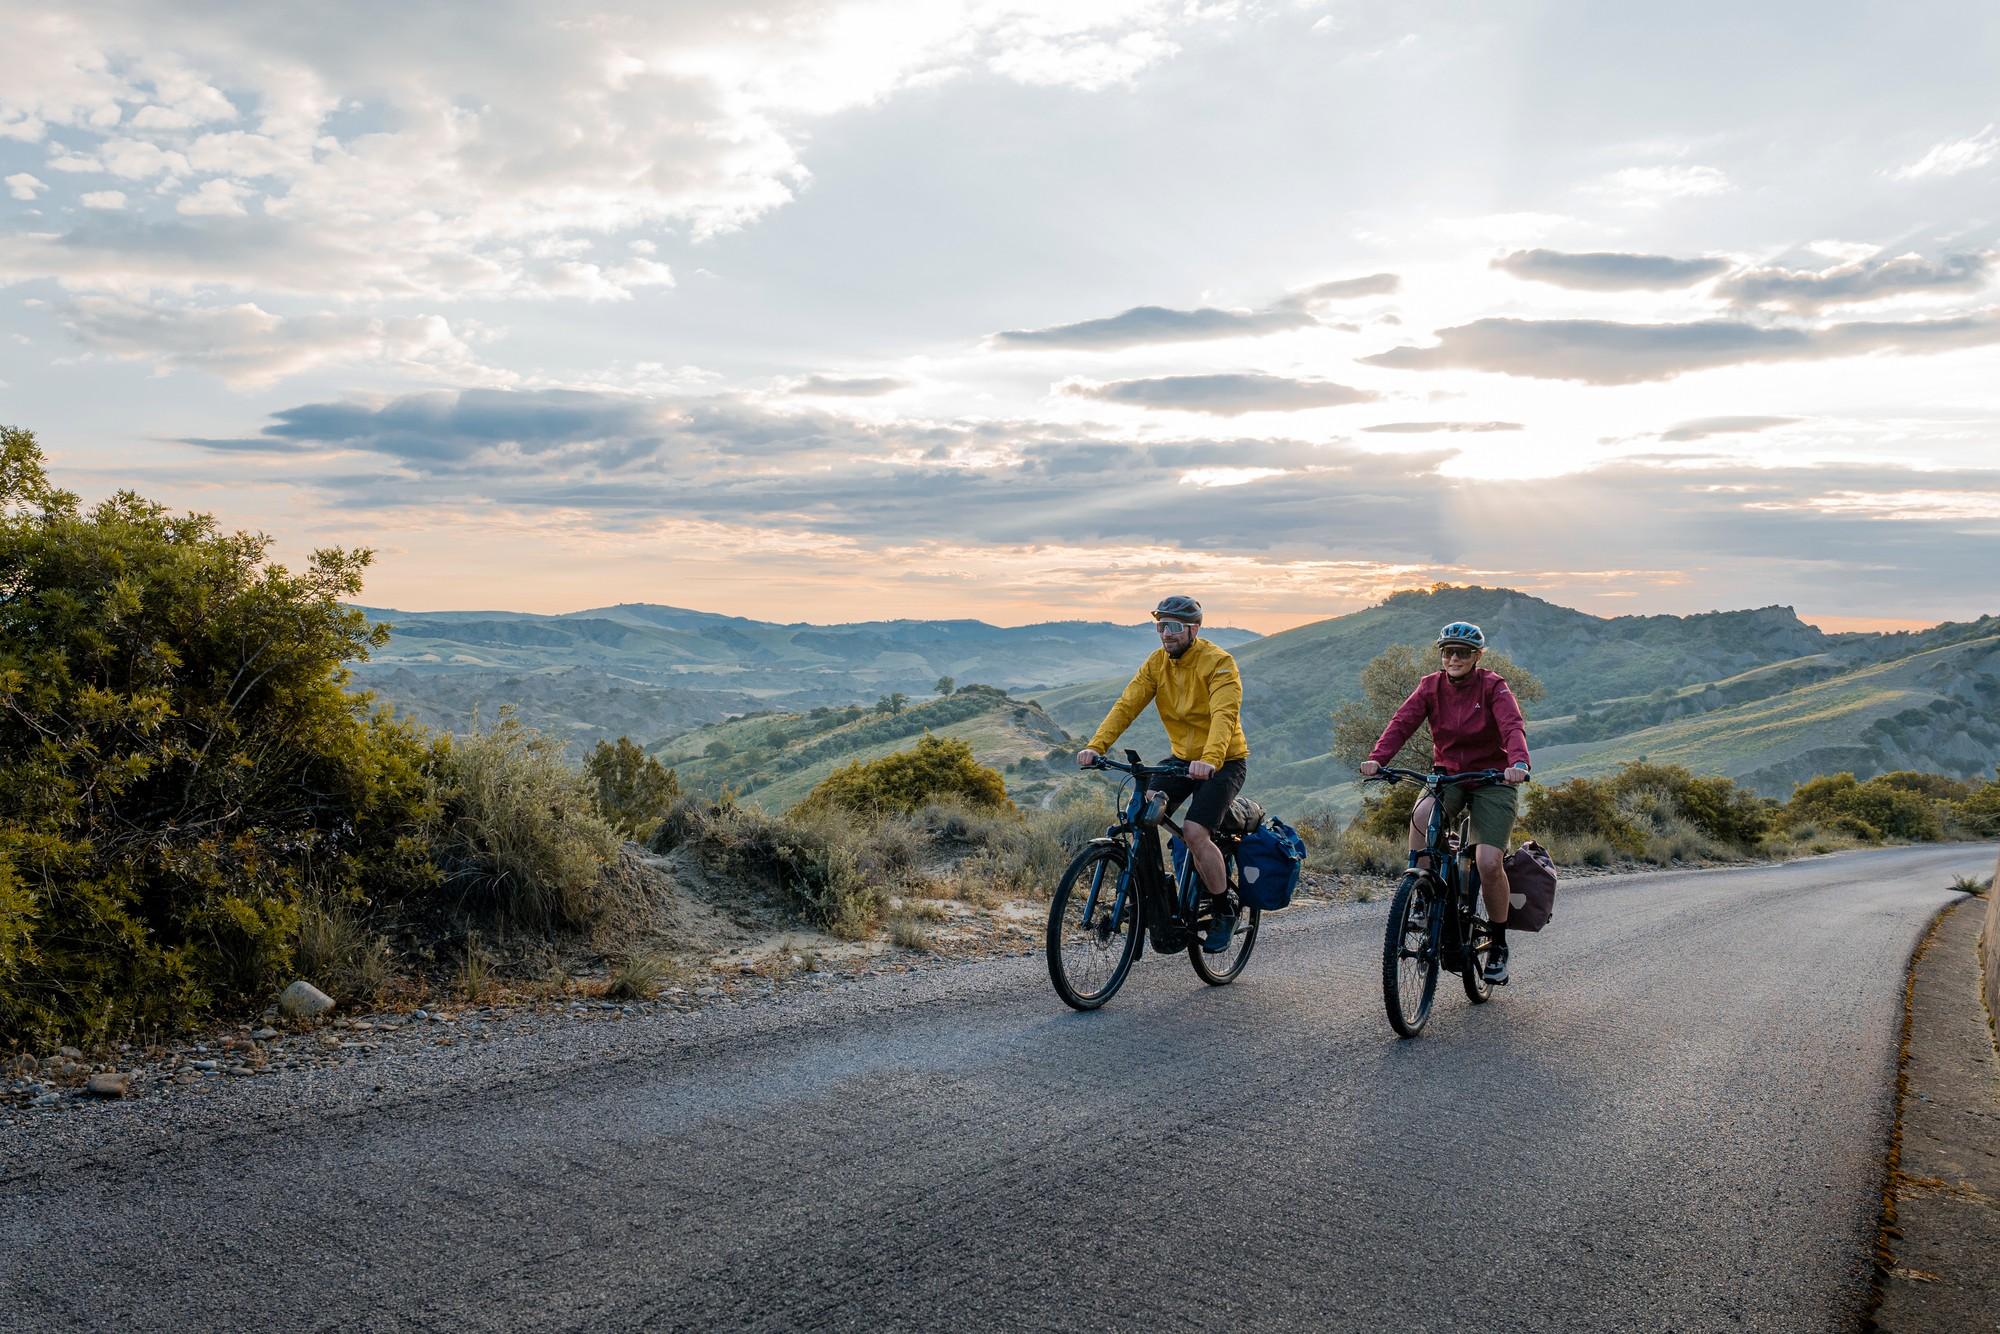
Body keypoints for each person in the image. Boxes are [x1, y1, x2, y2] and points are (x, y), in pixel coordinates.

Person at [1358, 621, 1530, 983]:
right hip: (1448, 774)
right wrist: (1377, 759)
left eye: (1462, 652)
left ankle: (1498, 944)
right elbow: (1401, 723)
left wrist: (1518, 763)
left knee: (1488, 862)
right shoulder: (1430, 687)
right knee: (1421, 816)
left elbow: (1512, 726)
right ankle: (1421, 895)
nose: (1454, 658)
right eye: (1448, 652)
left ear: (1477, 656)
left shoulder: (1494, 686)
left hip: (1492, 779)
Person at [1076, 595, 1249, 952]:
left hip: (1223, 761)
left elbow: (1224, 715)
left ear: (1194, 630)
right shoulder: (1157, 663)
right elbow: (1127, 705)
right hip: (1182, 758)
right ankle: (1155, 898)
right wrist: (1096, 746)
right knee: (1143, 811)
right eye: (1160, 626)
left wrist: (1210, 759)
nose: (1165, 633)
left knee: (1195, 831)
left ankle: (1224, 909)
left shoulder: (1219, 663)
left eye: (1173, 627)